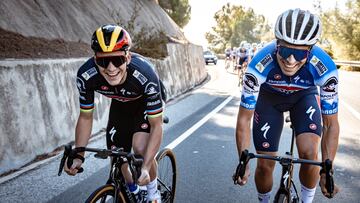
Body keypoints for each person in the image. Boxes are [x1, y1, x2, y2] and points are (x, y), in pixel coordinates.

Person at [234, 8, 340, 203]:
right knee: (265, 164)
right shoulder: (258, 64)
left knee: (309, 155)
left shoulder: (325, 67)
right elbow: (244, 118)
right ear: (277, 45)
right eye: (285, 50)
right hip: (269, 99)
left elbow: (331, 124)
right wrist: (243, 160)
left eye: (299, 54)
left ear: (310, 50)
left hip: (303, 98)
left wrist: (328, 169)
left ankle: (307, 200)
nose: (291, 60)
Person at [64, 24, 164, 203]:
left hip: (144, 104)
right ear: (95, 60)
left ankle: (152, 193)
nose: (111, 68)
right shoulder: (86, 76)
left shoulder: (145, 75)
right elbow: (86, 116)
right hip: (120, 105)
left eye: (117, 60)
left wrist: (146, 167)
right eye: (103, 61)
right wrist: (79, 155)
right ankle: (134, 192)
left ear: (128, 57)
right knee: (117, 156)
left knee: (140, 149)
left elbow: (156, 125)